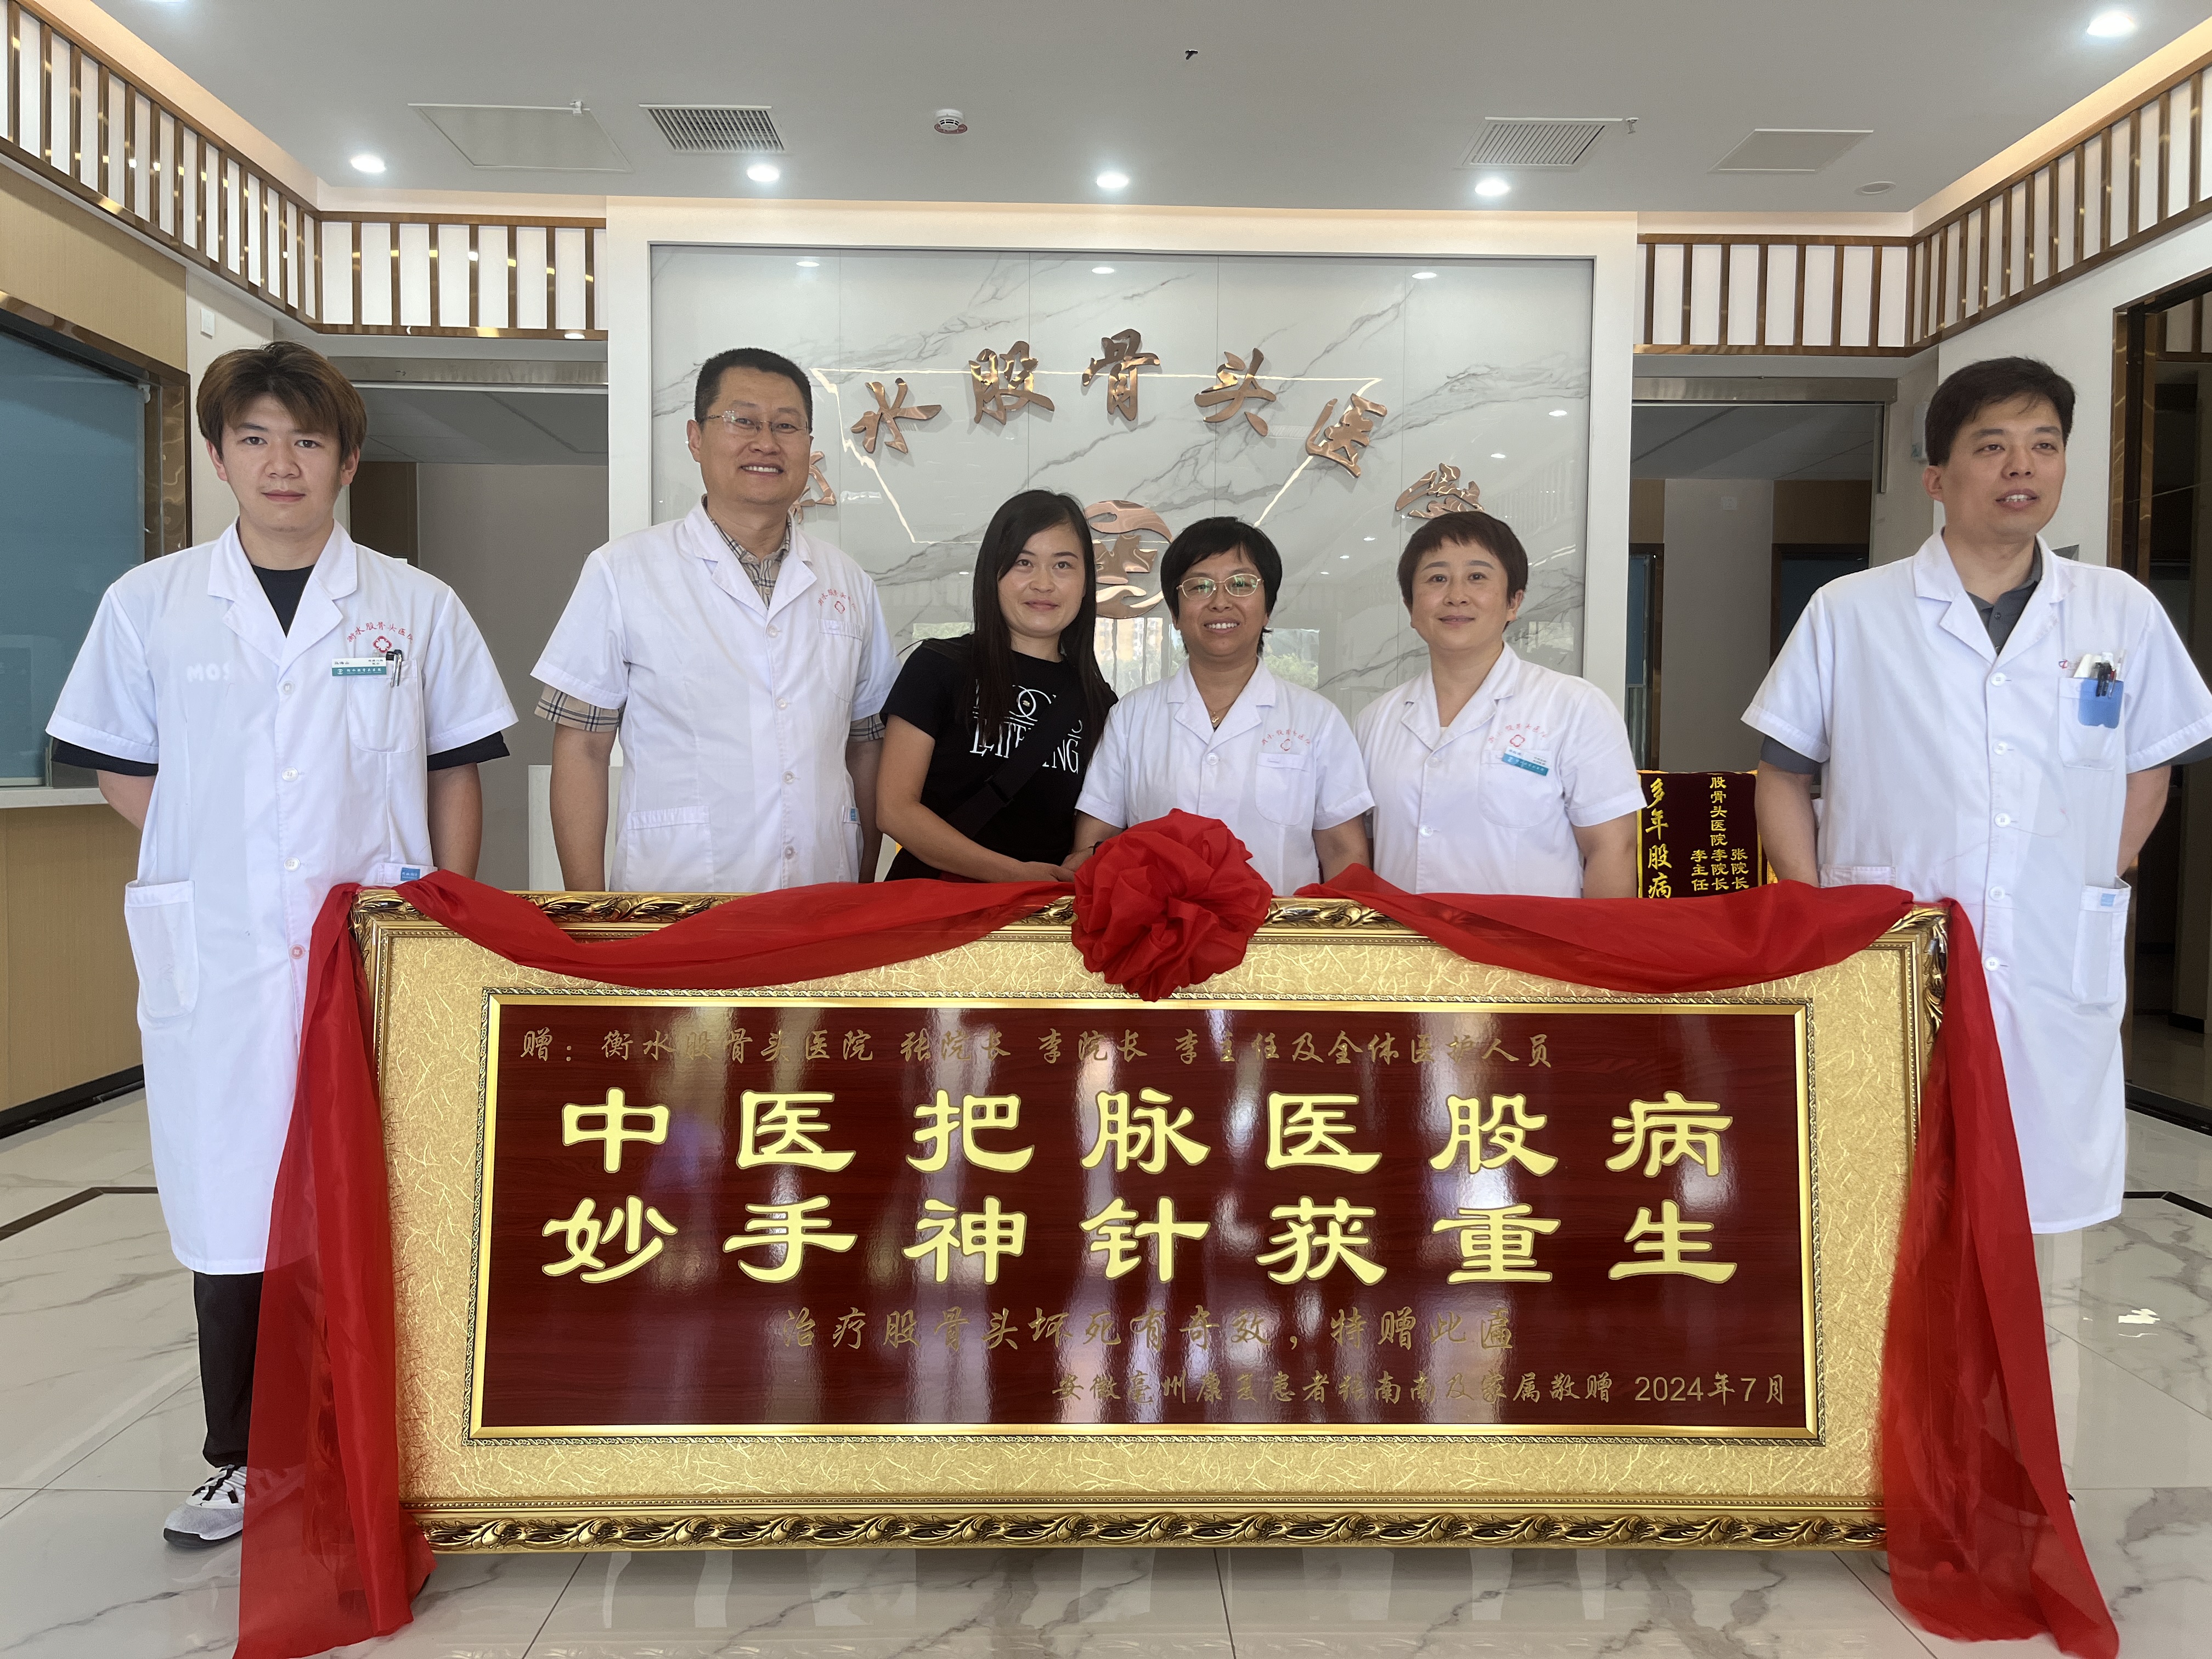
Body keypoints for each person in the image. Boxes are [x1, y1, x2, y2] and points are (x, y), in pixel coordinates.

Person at [44, 341, 515, 1547]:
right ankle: (240, 1459)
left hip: (376, 948)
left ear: (347, 461)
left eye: (307, 440)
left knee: (382, 1192)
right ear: (218, 457)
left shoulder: (415, 606)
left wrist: (443, 911)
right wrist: (218, 858)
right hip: (224, 955)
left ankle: (393, 1441)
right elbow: (121, 763)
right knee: (233, 1198)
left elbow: (456, 771)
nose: (281, 463)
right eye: (253, 438)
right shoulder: (150, 604)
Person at [1746, 356, 2212, 1233]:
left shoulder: (2118, 610)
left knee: (2026, 1209)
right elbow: (1783, 774)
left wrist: (2097, 873)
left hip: (2052, 944)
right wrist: (1817, 912)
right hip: (1890, 939)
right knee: (1889, 1205)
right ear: (1937, 477)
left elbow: (2151, 761)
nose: (2022, 466)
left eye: (2045, 445)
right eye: (1992, 446)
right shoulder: (1852, 610)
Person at [532, 347, 897, 891]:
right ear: (696, 439)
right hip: (674, 892)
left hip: (823, 893)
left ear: (809, 444)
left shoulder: (848, 582)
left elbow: (866, 744)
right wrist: (591, 912)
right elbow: (583, 747)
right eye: (742, 420)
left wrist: (862, 886)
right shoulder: (622, 571)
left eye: (786, 426)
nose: (766, 442)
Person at [1071, 517, 1372, 893]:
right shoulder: (1132, 716)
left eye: (1241, 584)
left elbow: (1344, 852)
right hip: (1159, 928)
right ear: (1175, 614)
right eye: (1199, 586)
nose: (1220, 602)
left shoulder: (1318, 720)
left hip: (1279, 928)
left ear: (1267, 609)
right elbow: (1095, 841)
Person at [1357, 511, 1641, 896]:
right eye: (1437, 579)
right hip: (1405, 936)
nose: (1456, 595)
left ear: (1513, 602)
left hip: (1529, 937)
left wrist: (1594, 938)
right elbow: (1364, 847)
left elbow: (1612, 848)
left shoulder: (1574, 707)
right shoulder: (1376, 720)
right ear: (1410, 606)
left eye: (1477, 577)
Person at [877, 490, 1116, 880]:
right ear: (994, 573)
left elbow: (1092, 833)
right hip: (936, 905)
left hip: (1040, 913)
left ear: (1086, 582)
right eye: (1024, 563)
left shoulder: (1101, 703)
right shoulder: (937, 666)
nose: (1043, 583)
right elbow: (895, 810)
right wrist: (1014, 875)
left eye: (1063, 565)